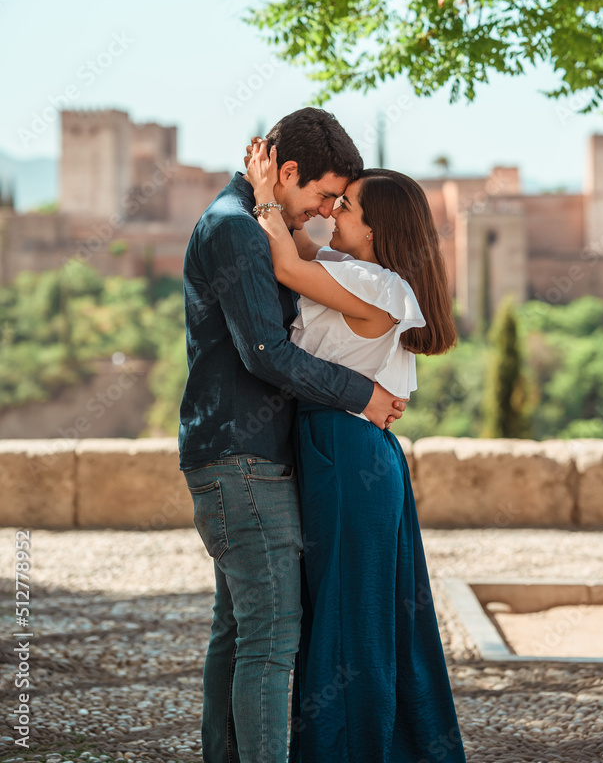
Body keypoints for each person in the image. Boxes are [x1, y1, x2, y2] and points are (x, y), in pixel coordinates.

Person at [178, 108, 407, 763]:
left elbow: (311, 266)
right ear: (285, 171)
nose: (328, 210)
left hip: (238, 455)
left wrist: (269, 208)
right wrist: (363, 393)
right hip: (240, 461)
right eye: (323, 195)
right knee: (272, 639)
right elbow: (265, 354)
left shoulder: (247, 217)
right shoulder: (232, 228)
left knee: (238, 630)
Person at [247, 139, 467, 763]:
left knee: (350, 623)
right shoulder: (369, 276)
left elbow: (288, 267)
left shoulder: (374, 283)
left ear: (376, 229)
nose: (331, 212)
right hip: (352, 449)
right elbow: (304, 252)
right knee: (364, 619)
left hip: (345, 452)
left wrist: (265, 196)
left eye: (345, 205)